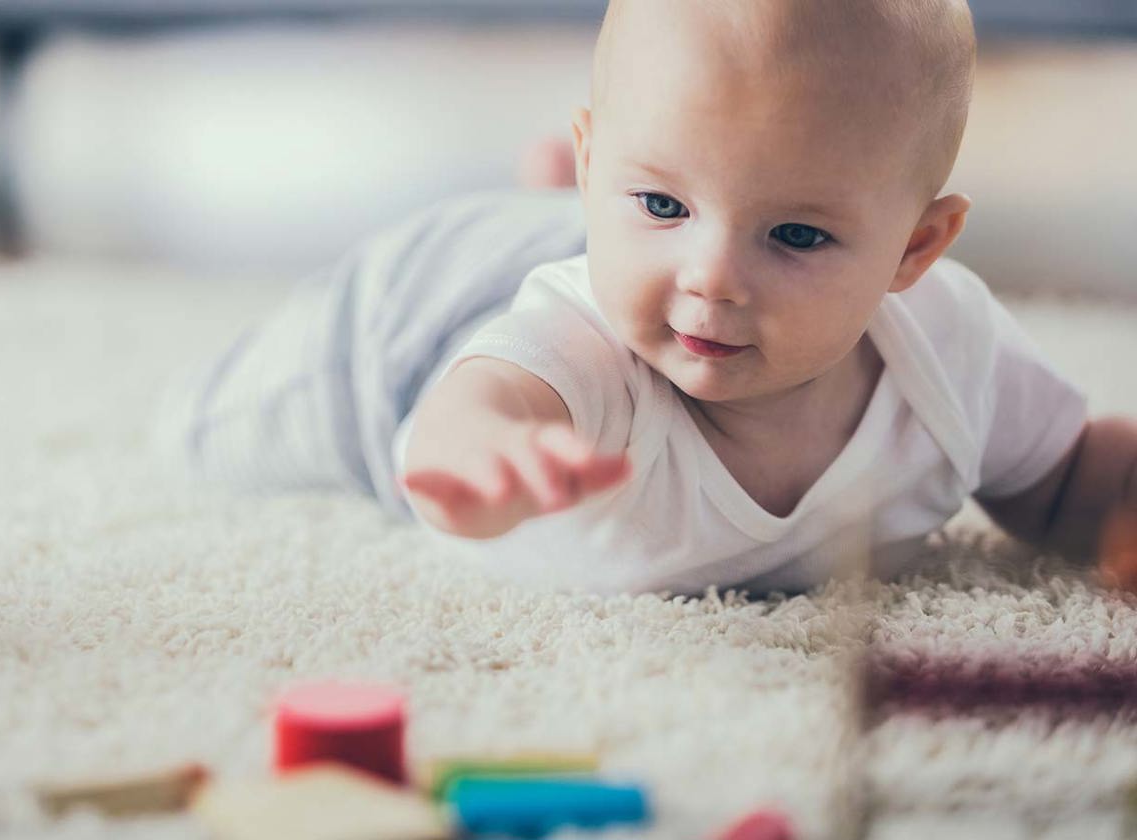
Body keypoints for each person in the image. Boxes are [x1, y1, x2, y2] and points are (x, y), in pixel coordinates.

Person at [167, 0, 1137, 595]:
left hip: (603, 240)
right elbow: (480, 403)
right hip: (411, 326)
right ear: (603, 163)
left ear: (913, 249)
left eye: (795, 234)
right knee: (199, 436)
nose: (713, 275)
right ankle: (559, 204)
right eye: (664, 198)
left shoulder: (948, 350)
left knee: (650, 230)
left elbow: (1060, 478)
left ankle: (588, 199)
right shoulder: (581, 347)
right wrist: (488, 458)